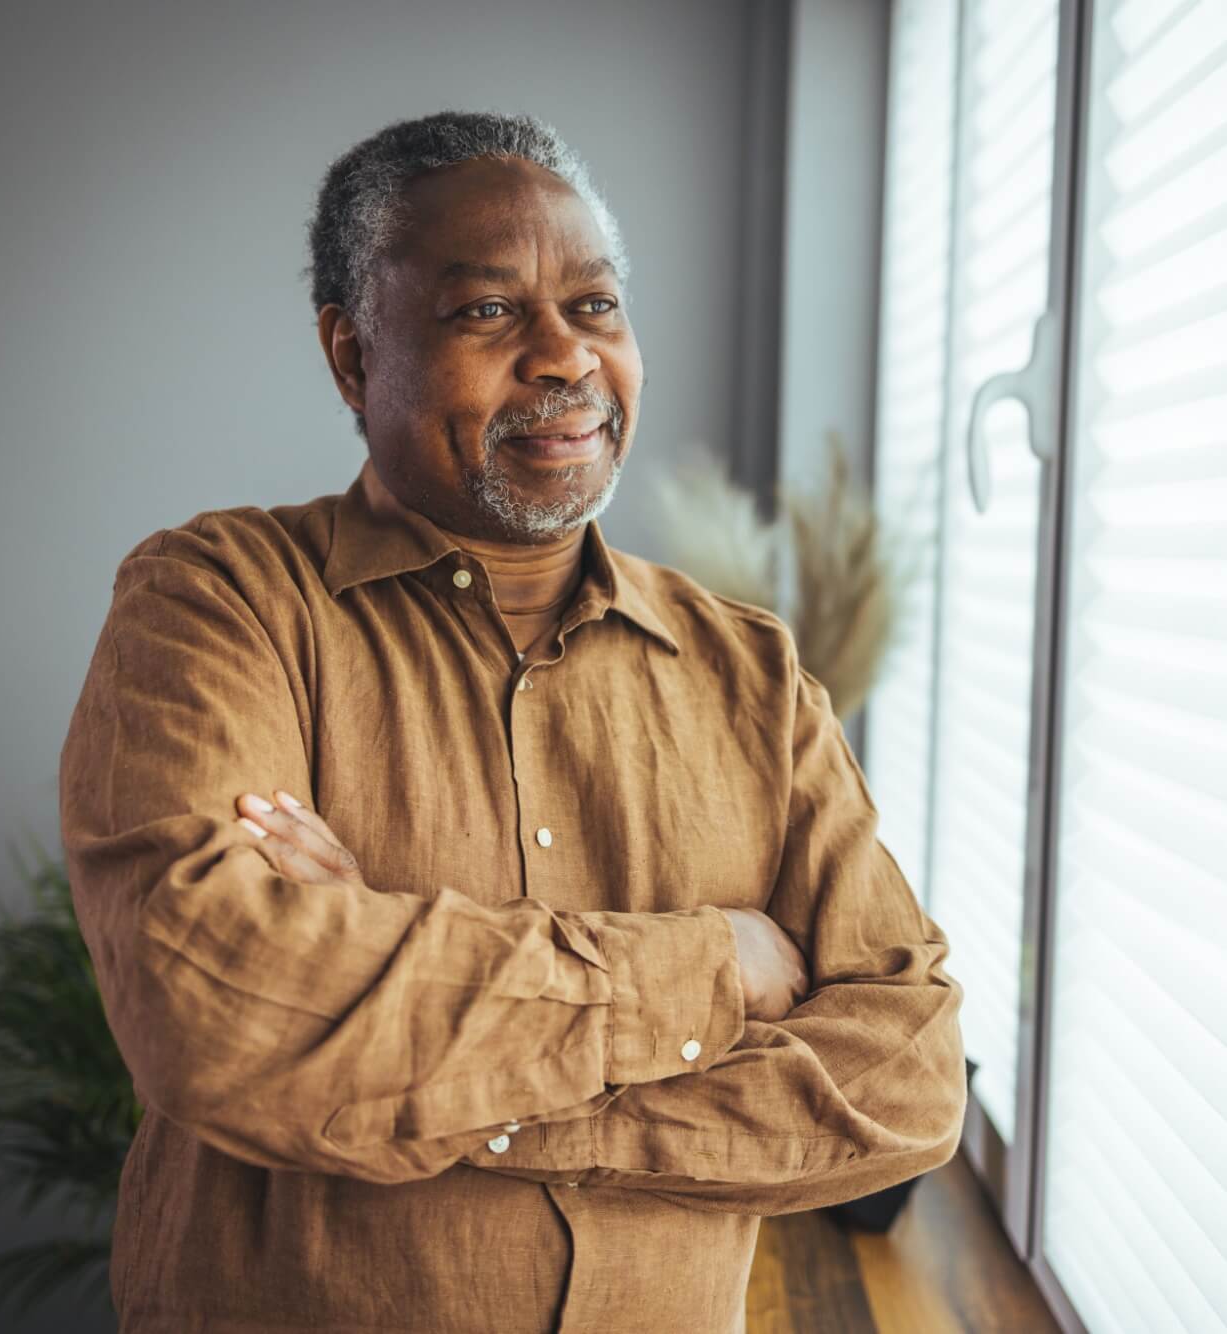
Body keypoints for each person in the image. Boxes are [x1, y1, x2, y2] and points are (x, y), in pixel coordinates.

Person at [59, 109, 967, 1334]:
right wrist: (710, 972)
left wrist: (448, 1090)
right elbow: (222, 1012)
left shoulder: (748, 670)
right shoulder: (219, 601)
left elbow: (904, 1080)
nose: (563, 356)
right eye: (486, 312)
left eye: (593, 306)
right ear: (349, 356)